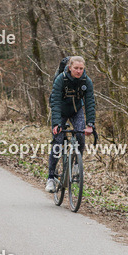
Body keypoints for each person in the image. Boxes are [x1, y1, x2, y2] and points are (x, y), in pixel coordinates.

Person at [46, 56, 96, 192]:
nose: (78, 71)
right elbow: (55, 102)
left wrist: (90, 124)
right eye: (76, 68)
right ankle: (50, 178)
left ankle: (75, 165)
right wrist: (56, 124)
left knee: (80, 135)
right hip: (60, 112)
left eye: (81, 68)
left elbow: (90, 102)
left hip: (76, 111)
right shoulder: (60, 79)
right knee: (58, 141)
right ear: (70, 68)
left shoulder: (87, 81)